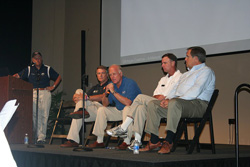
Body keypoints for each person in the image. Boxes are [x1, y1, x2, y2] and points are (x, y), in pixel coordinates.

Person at [140, 46, 215, 154]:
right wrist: (166, 99)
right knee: (153, 104)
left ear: (196, 58)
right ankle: (154, 141)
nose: (185, 59)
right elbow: (174, 90)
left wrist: (173, 100)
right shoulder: (185, 75)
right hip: (180, 105)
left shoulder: (206, 71)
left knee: (175, 103)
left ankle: (169, 141)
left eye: (187, 56)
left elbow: (195, 91)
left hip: (198, 105)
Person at [106, 53, 182, 150]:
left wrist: (164, 97)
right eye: (162, 63)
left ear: (173, 63)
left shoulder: (180, 77)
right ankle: (137, 142)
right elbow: (155, 95)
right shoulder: (163, 79)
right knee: (140, 108)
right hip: (157, 105)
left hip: (170, 106)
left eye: (165, 63)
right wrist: (161, 97)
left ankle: (124, 127)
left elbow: (171, 95)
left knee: (139, 97)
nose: (162, 65)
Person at [87, 64, 141, 150]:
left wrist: (114, 92)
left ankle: (126, 141)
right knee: (102, 110)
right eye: (110, 75)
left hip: (133, 112)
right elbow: (105, 104)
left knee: (127, 109)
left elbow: (128, 103)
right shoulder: (112, 85)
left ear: (120, 73)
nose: (112, 77)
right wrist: (106, 94)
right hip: (120, 110)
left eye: (114, 74)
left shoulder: (130, 83)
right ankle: (99, 141)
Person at [13, 51, 61, 144]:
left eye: (39, 57)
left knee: (44, 114)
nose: (38, 59)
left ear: (41, 59)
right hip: (34, 93)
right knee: (35, 115)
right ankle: (36, 134)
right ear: (33, 60)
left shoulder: (47, 68)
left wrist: (53, 87)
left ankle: (41, 137)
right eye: (36, 58)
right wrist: (11, 77)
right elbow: (18, 76)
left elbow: (59, 77)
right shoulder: (29, 69)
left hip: (45, 92)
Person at [60, 65, 110, 147]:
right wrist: (76, 97)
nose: (100, 75)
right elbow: (83, 97)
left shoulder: (110, 85)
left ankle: (80, 110)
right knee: (79, 91)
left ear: (107, 75)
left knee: (80, 107)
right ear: (96, 75)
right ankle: (73, 140)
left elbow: (102, 97)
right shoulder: (95, 87)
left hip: (101, 109)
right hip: (89, 108)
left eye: (103, 73)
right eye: (98, 73)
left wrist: (85, 98)